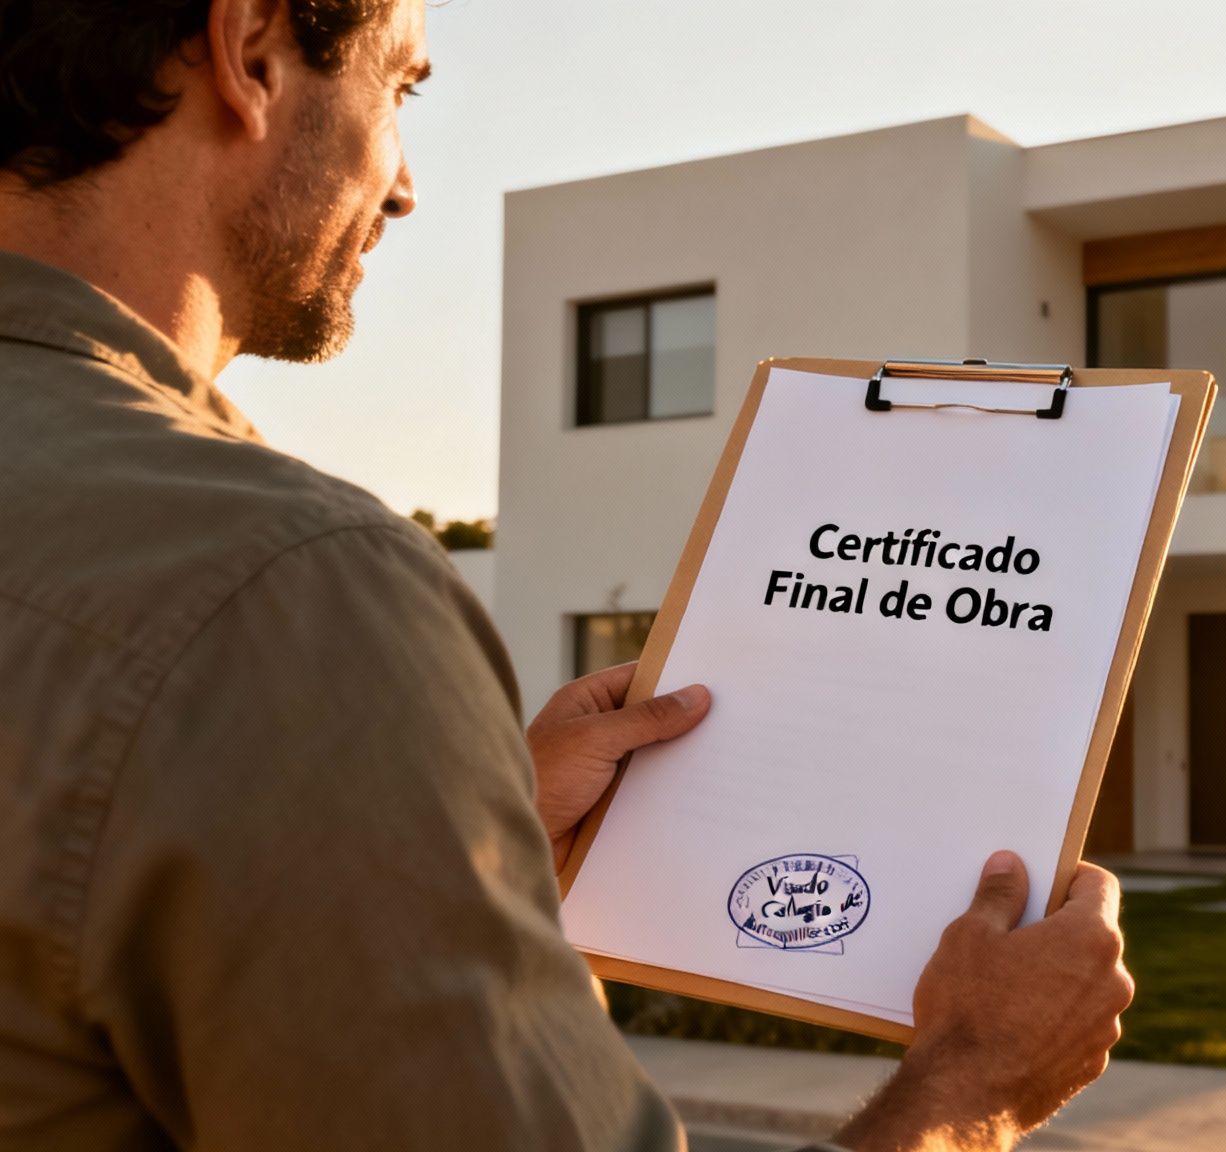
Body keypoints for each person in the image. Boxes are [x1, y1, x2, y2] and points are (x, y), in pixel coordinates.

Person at [0, 2, 1132, 1149]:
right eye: (402, 89)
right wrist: (973, 1088)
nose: (402, 190)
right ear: (250, 53)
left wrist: (471, 845)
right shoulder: (282, 591)